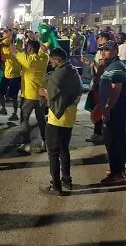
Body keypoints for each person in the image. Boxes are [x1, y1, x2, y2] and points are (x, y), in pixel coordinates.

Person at [39, 47, 82, 195]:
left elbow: (51, 95)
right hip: (70, 116)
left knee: (53, 152)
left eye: (52, 62)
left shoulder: (58, 74)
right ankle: (66, 180)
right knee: (64, 149)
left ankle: (56, 186)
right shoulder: (73, 70)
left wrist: (44, 94)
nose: (51, 65)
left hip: (56, 119)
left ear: (57, 60)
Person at [98, 41, 126, 185]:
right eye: (103, 50)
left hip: (115, 110)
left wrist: (107, 108)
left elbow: (116, 90)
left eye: (107, 50)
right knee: (116, 139)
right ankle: (118, 168)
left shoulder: (117, 67)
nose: (104, 53)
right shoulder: (111, 66)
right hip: (113, 109)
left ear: (116, 51)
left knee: (113, 141)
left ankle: (116, 172)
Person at [10, 38, 48, 154]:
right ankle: (44, 143)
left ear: (30, 49)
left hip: (28, 97)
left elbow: (13, 50)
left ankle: (26, 145)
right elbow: (44, 49)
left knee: (25, 121)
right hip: (41, 95)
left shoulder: (27, 59)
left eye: (27, 47)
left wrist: (11, 39)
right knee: (41, 120)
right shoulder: (44, 58)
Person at [82, 32, 111, 143]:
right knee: (95, 108)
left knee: (99, 109)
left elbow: (101, 68)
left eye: (98, 38)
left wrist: (96, 82)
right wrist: (89, 63)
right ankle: (99, 132)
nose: (97, 40)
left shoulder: (106, 53)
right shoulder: (100, 52)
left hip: (100, 84)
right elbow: (97, 66)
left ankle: (99, 133)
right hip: (96, 83)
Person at [0, 30, 21, 121]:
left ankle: (15, 113)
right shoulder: (2, 46)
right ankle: (3, 109)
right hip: (6, 74)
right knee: (1, 93)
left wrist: (10, 37)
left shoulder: (18, 45)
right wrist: (5, 37)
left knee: (14, 96)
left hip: (16, 75)